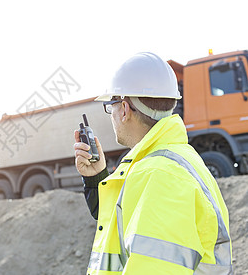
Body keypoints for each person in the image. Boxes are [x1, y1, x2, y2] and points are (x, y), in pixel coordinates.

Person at [74, 52, 233, 274]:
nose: (111, 114)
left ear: (125, 109)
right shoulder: (178, 160)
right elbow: (122, 224)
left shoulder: (159, 175)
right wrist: (96, 177)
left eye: (111, 106)